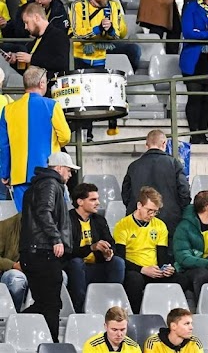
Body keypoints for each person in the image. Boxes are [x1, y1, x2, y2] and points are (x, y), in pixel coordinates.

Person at [19, 151, 76, 340]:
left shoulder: (37, 185)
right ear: (59, 168)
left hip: (34, 251)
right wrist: (56, 239)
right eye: (68, 170)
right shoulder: (51, 184)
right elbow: (45, 211)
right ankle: (53, 345)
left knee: (44, 303)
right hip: (43, 251)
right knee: (51, 304)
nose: (69, 175)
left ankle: (17, 325)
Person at [0, 66, 70, 209]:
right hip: (48, 174)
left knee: (26, 222)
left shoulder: (8, 110)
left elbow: (4, 146)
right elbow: (65, 136)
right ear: (41, 84)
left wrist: (5, 173)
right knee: (51, 220)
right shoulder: (52, 105)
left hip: (19, 176)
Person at [114, 186, 183, 313]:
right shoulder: (122, 226)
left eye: (155, 211)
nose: (152, 215)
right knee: (134, 279)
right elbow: (120, 259)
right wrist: (142, 269)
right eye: (149, 210)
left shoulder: (160, 225)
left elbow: (162, 255)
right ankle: (136, 315)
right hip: (135, 269)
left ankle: (168, 315)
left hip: (154, 270)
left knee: (178, 278)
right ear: (139, 205)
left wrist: (167, 268)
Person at [67, 182, 125, 313]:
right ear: (80, 201)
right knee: (76, 263)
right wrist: (91, 248)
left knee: (118, 262)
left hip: (96, 267)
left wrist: (108, 253)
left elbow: (111, 243)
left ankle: (112, 307)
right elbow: (67, 252)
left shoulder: (99, 220)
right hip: (75, 269)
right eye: (93, 199)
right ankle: (80, 310)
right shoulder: (67, 220)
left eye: (97, 199)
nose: (98, 203)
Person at [121, 130, 190, 238]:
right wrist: (179, 210)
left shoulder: (133, 166)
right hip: (169, 219)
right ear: (164, 144)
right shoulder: (174, 164)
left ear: (146, 145)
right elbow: (184, 191)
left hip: (139, 219)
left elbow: (125, 194)